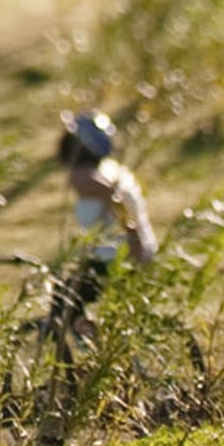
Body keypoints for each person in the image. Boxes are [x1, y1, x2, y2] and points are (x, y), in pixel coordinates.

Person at [56, 110, 157, 313]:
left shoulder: (84, 179)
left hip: (117, 258)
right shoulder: (113, 170)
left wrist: (134, 246)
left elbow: (122, 212)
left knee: (63, 303)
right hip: (130, 252)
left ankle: (84, 337)